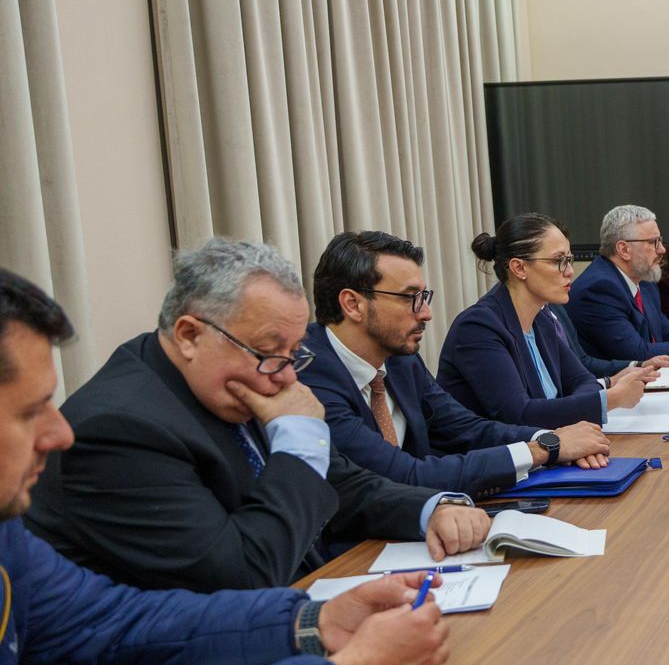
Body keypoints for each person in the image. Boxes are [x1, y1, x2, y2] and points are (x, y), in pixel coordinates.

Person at [0, 267, 449, 665]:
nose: (58, 433)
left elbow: (111, 619)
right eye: (28, 412)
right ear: (189, 335)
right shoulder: (123, 421)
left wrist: (315, 620)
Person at [25, 239, 490, 594]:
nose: (286, 376)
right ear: (189, 335)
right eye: (269, 352)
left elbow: (342, 481)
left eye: (294, 353)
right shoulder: (122, 429)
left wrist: (430, 509)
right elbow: (242, 574)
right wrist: (301, 439)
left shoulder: (228, 380)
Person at [301, 231, 611, 496]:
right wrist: (544, 449)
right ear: (352, 304)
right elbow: (401, 474)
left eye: (424, 297)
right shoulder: (310, 377)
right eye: (409, 298)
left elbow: (466, 428)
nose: (426, 313)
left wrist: (551, 441)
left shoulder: (400, 361)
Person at [438, 215, 669, 431]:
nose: (569, 272)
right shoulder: (478, 327)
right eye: (559, 261)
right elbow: (519, 415)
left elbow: (583, 381)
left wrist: (571, 419)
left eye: (569, 260)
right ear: (519, 267)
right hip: (495, 458)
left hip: (552, 447)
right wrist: (612, 399)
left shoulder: (542, 318)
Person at [566, 204, 669, 362]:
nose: (662, 249)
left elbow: (664, 331)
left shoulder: (646, 282)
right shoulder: (599, 289)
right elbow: (637, 353)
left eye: (660, 241)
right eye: (653, 242)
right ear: (624, 249)